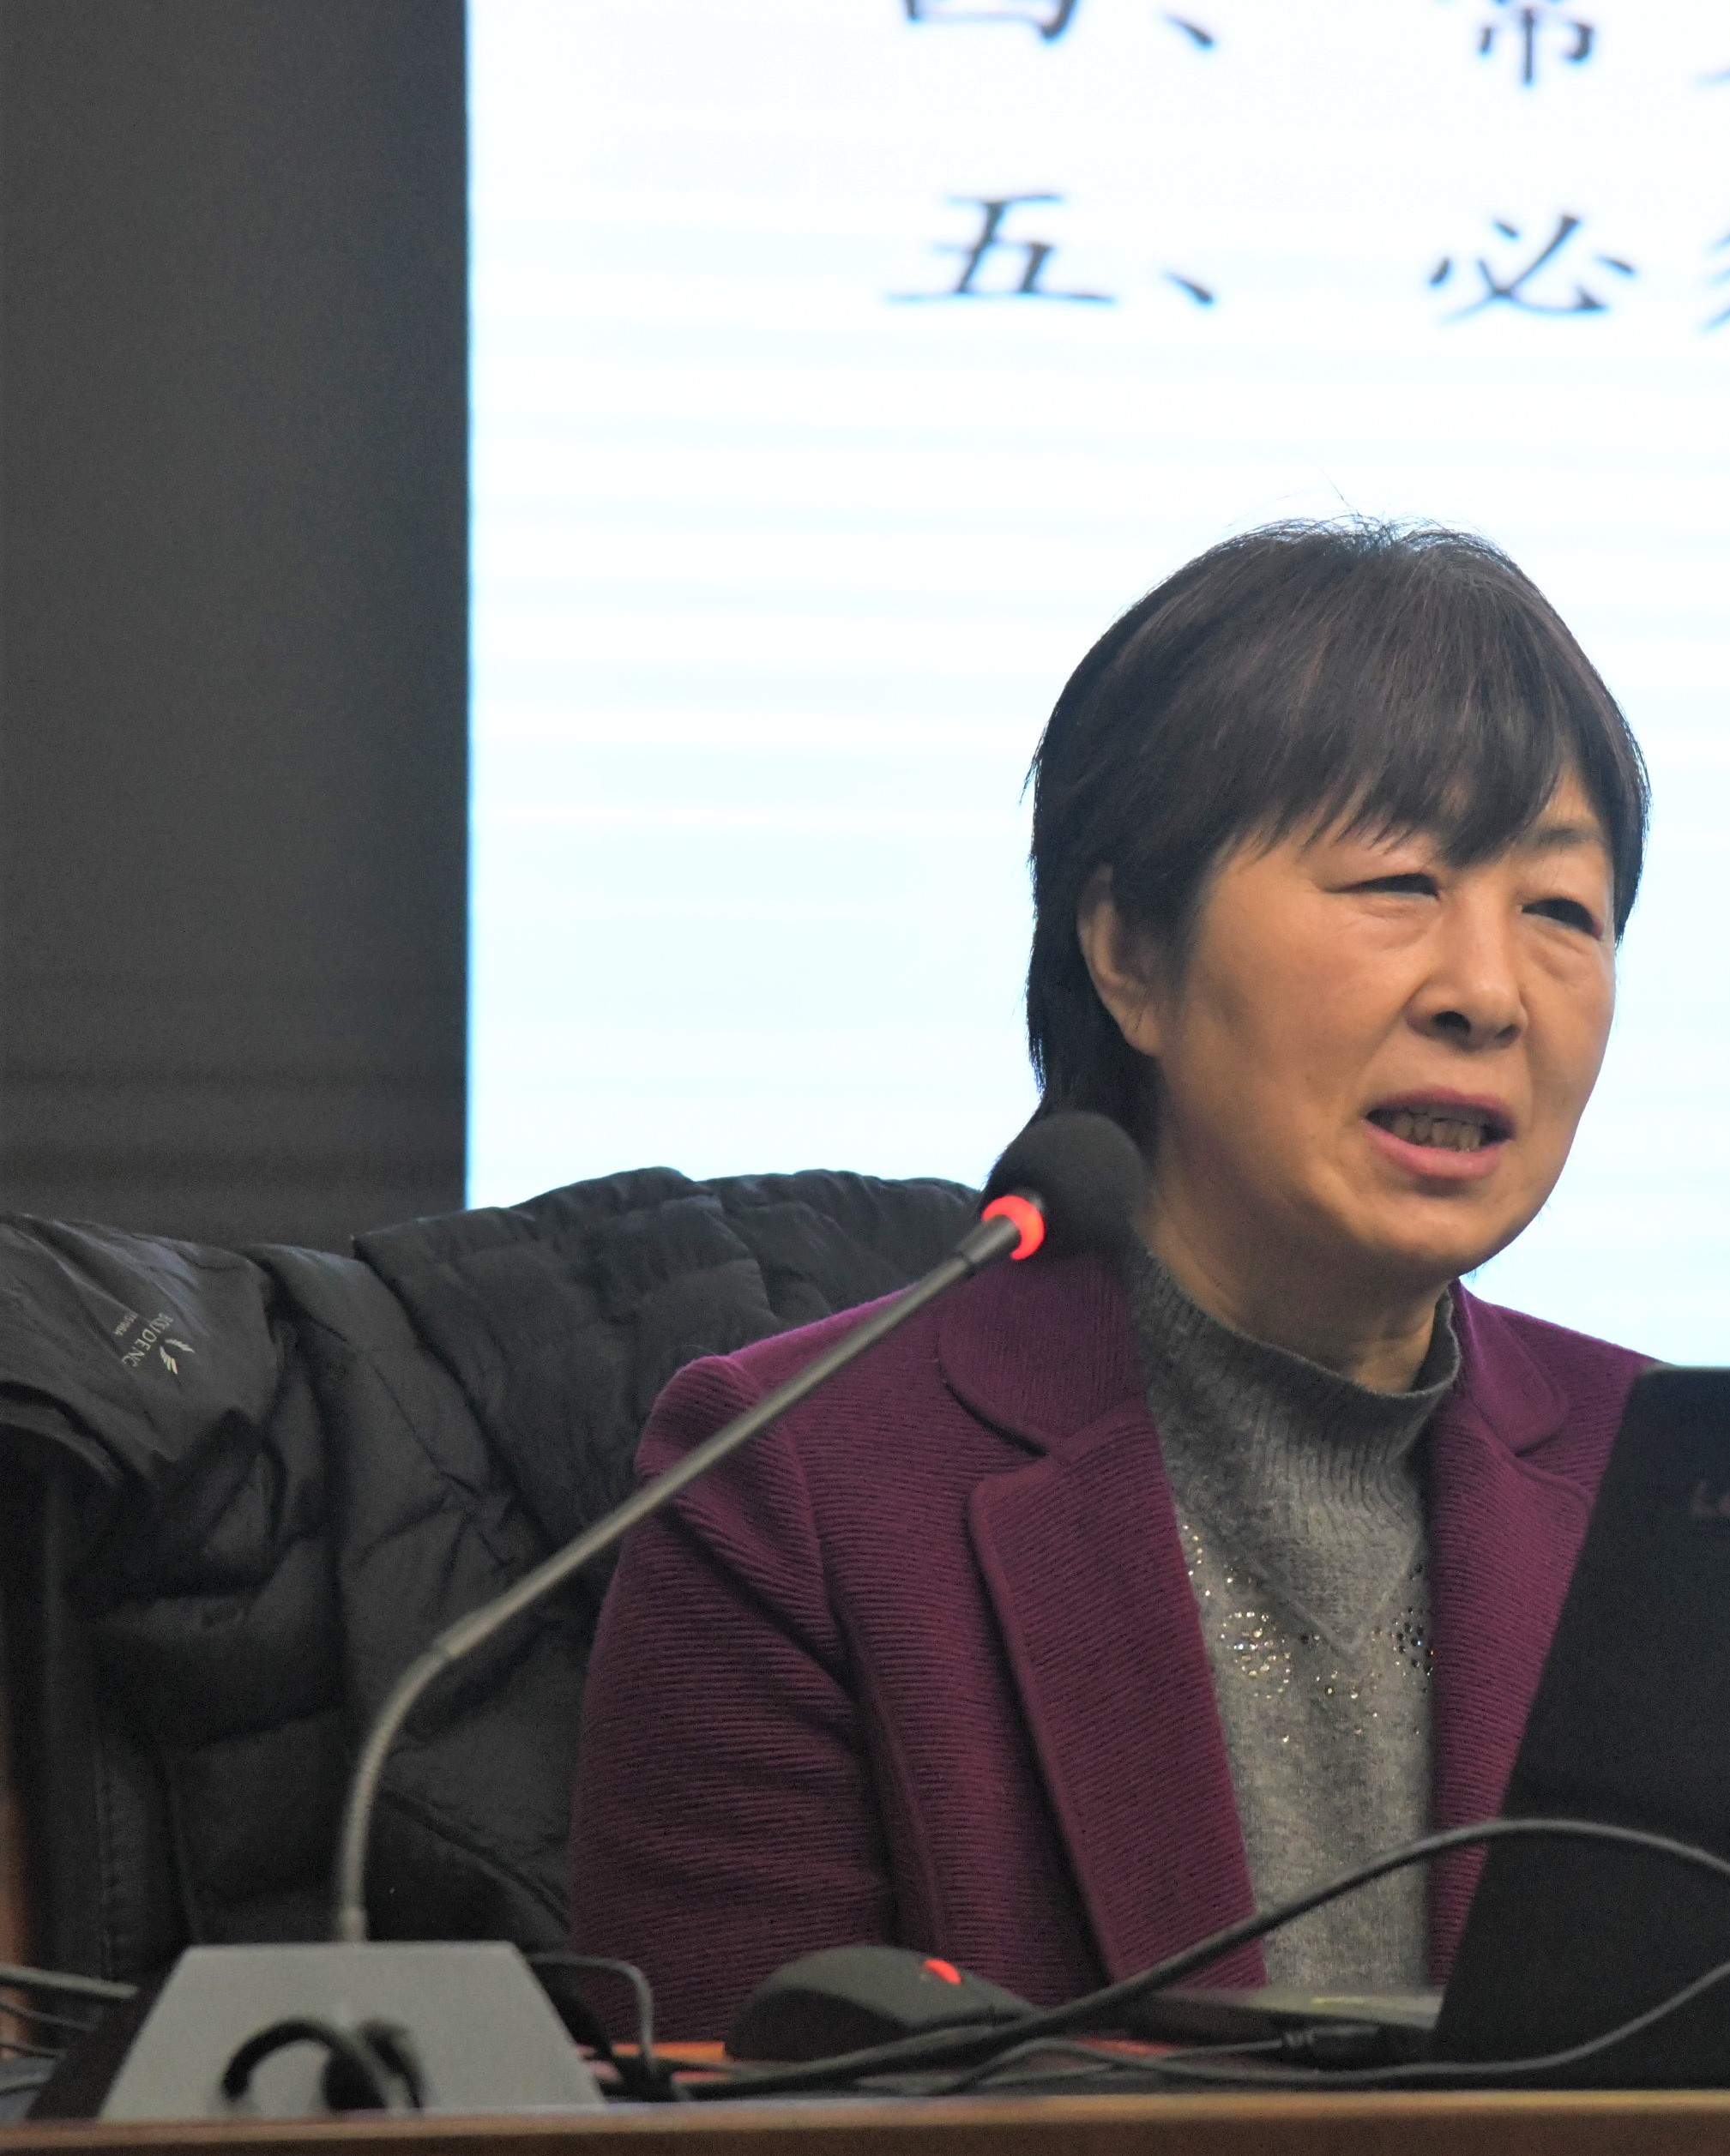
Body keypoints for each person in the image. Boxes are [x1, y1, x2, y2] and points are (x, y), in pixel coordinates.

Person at [568, 521, 1654, 2039]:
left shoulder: (1672, 1485)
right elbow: (723, 2115)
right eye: (1396, 879)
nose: (1487, 990)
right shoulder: (791, 1492)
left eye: (1560, 910)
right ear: (1131, 956)